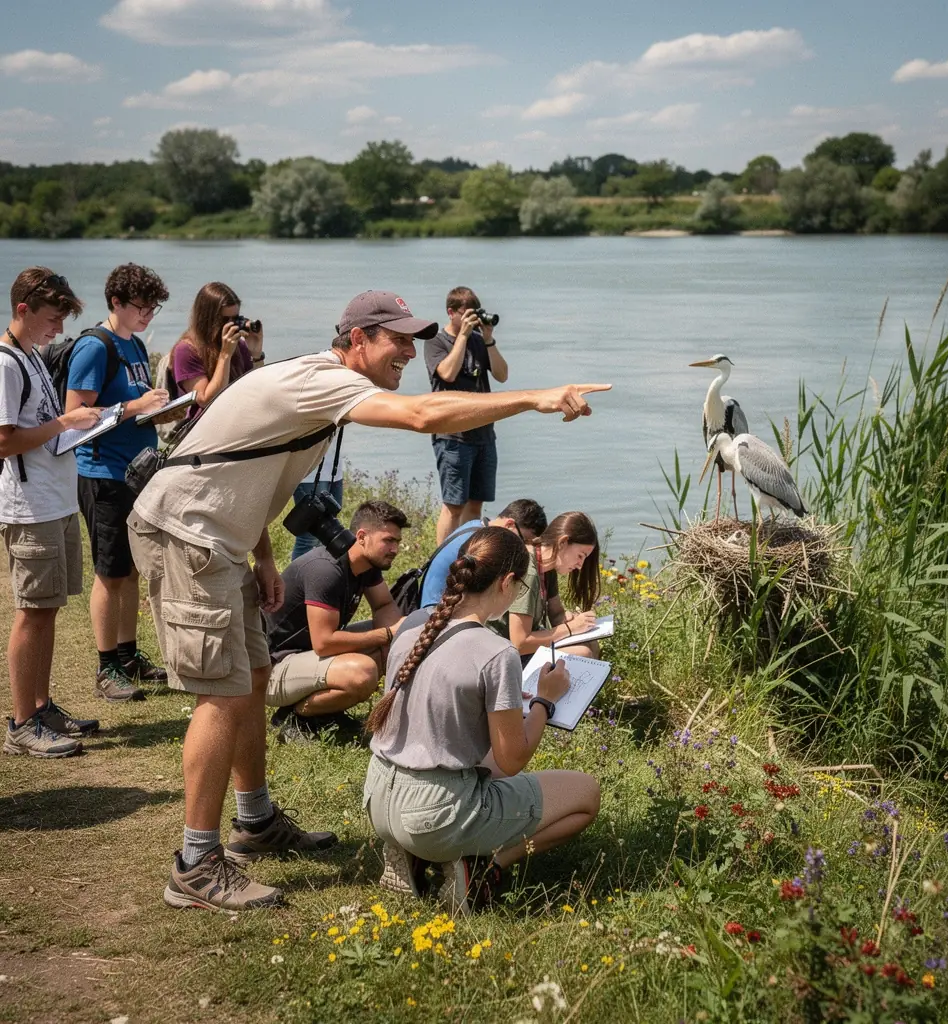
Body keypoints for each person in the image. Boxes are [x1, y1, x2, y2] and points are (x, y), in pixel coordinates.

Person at [127, 288, 609, 912]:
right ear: (357, 340)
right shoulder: (324, 382)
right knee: (221, 695)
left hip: (223, 537)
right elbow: (422, 416)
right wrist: (535, 397)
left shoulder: (317, 387)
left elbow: (259, 467)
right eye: (397, 339)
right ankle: (195, 864)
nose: (409, 351)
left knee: (247, 679)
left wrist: (265, 553)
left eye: (414, 340)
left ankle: (254, 819)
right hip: (189, 532)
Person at [364, 526, 600, 914]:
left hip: (380, 800)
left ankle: (412, 852)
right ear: (507, 582)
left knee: (478, 771)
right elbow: (512, 759)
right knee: (585, 794)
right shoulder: (496, 652)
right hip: (433, 813)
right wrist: (544, 700)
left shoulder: (413, 626)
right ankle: (479, 866)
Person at [1, 268, 106, 757]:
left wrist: (86, 425)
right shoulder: (5, 363)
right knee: (32, 613)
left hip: (55, 497)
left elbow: (42, 427)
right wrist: (67, 421)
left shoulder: (32, 356)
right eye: (51, 319)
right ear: (22, 310)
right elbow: (4, 443)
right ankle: (23, 722)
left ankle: (41, 706)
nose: (58, 330)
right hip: (31, 505)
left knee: (48, 610)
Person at [65, 263, 171, 702]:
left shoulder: (133, 345)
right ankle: (106, 666)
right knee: (109, 574)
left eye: (153, 307)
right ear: (116, 303)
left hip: (134, 471)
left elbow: (129, 404)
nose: (148, 314)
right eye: (141, 306)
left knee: (128, 570)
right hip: (102, 472)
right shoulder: (96, 346)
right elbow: (76, 417)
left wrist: (160, 410)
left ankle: (128, 655)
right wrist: (135, 407)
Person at [266, 500, 407, 741]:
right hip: (272, 668)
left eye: (397, 541)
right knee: (362, 673)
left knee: (401, 635)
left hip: (308, 657)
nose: (395, 548)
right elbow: (324, 643)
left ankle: (327, 709)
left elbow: (384, 605)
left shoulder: (365, 564)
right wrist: (388, 635)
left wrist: (397, 641)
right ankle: (296, 716)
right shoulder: (326, 571)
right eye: (388, 540)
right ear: (362, 536)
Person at [425, 287, 509, 546]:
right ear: (451, 313)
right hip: (452, 435)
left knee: (475, 504)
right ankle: (440, 561)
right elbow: (447, 374)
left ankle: (467, 556)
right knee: (453, 505)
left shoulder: (478, 339)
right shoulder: (436, 342)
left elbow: (502, 375)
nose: (471, 320)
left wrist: (488, 339)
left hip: (483, 433)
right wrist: (462, 336)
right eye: (466, 314)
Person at [492, 511, 602, 662]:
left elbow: (556, 613)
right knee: (582, 653)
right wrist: (571, 628)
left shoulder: (546, 566)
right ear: (562, 542)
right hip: (501, 653)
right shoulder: (528, 572)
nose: (580, 566)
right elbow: (520, 642)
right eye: (580, 556)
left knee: (591, 644)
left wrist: (569, 619)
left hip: (517, 647)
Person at [419, 497, 548, 609]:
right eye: (522, 540)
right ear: (509, 524)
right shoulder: (480, 544)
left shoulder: (476, 526)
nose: (522, 548)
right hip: (435, 611)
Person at [172, 281, 265, 418]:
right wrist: (225, 355)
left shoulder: (238, 346)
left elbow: (256, 389)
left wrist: (256, 354)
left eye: (235, 319)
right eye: (224, 320)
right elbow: (204, 400)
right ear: (208, 319)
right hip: (206, 427)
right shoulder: (186, 350)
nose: (230, 325)